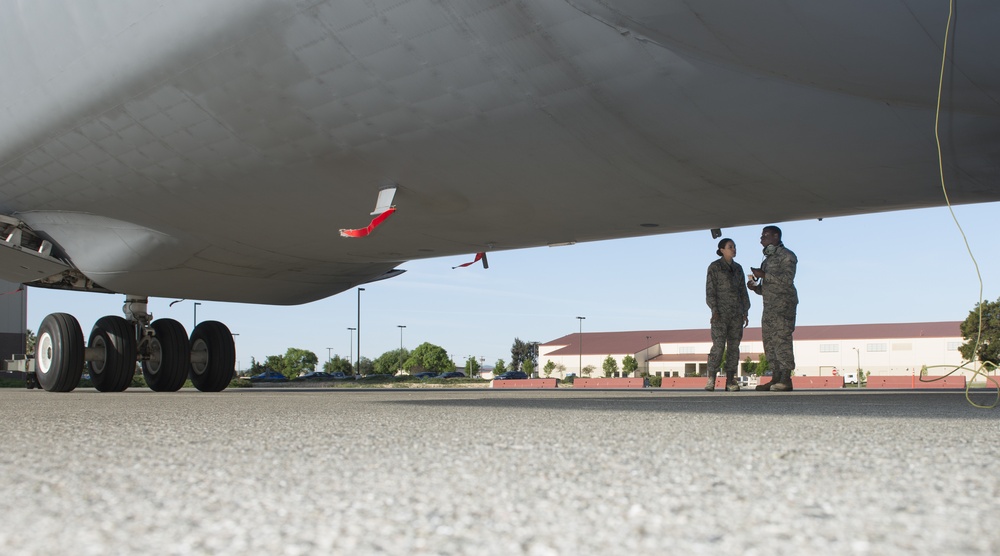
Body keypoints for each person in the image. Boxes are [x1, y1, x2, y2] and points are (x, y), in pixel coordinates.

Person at [747, 225, 798, 391]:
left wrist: (764, 275)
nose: (762, 238)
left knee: (782, 340)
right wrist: (756, 287)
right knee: (769, 342)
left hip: (783, 305)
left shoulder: (787, 256)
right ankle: (775, 377)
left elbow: (787, 280)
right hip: (769, 307)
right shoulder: (768, 259)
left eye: (766, 235)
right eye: (762, 235)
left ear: (776, 237)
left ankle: (785, 379)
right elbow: (769, 287)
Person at [705, 238, 750, 391]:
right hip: (720, 314)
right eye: (730, 247)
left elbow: (743, 291)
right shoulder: (715, 267)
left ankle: (730, 380)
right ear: (722, 249)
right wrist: (714, 310)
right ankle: (711, 378)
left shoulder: (738, 269)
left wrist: (745, 311)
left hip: (736, 314)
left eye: (734, 246)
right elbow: (710, 291)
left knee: (734, 347)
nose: (734, 249)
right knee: (718, 347)